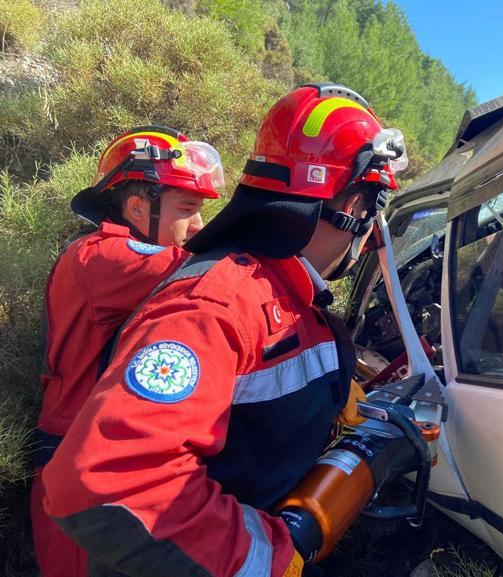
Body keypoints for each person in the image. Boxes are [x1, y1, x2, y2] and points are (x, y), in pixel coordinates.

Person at [42, 84, 407, 577]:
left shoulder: (289, 296)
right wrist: (275, 557)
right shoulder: (213, 297)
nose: (196, 226)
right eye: (185, 209)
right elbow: (109, 481)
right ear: (352, 203)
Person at [32, 126, 224, 577]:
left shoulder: (106, 255)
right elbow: (213, 273)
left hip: (92, 459)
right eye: (188, 209)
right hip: (74, 464)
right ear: (137, 207)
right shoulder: (102, 257)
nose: (198, 226)